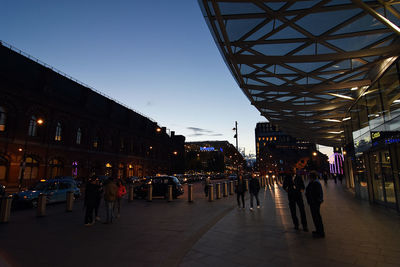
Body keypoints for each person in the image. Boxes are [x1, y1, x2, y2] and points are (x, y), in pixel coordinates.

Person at [305, 172, 325, 238]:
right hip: (313, 202)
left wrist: (315, 201)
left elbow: (315, 193)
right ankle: (318, 230)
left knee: (317, 217)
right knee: (315, 217)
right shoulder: (313, 182)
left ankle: (320, 232)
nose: (308, 178)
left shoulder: (315, 183)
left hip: (314, 203)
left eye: (309, 176)